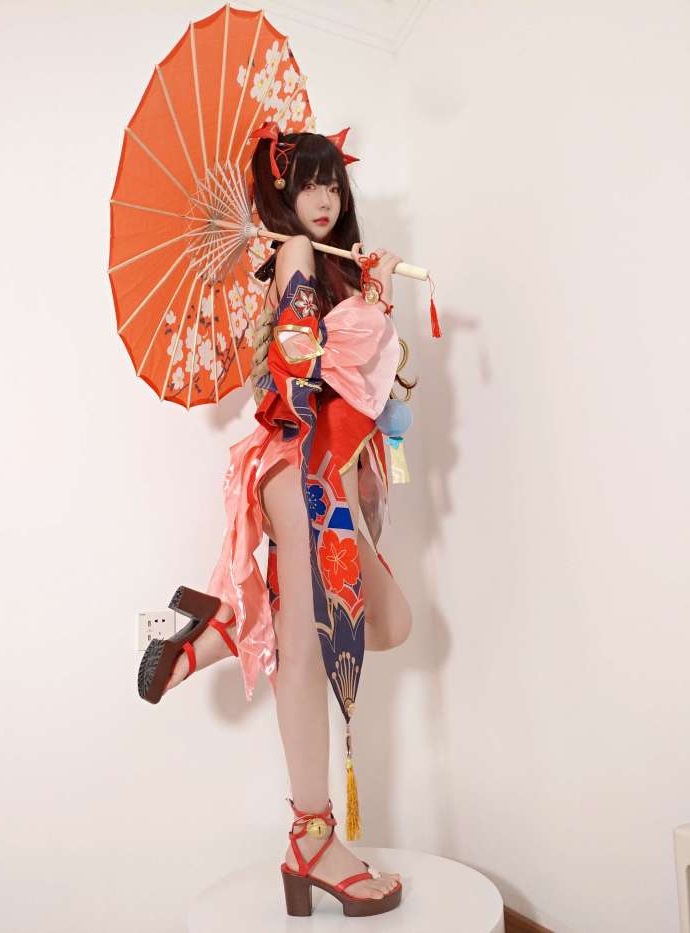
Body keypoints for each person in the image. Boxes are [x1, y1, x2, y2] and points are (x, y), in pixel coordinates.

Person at [140, 126, 413, 917]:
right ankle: (313, 837)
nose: (322, 199)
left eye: (332, 184)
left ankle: (215, 633)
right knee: (305, 656)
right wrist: (352, 321)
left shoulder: (332, 266)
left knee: (389, 620)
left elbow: (364, 384)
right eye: (306, 185)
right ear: (282, 198)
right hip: (301, 472)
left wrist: (373, 297)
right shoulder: (295, 254)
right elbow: (297, 367)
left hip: (322, 473)